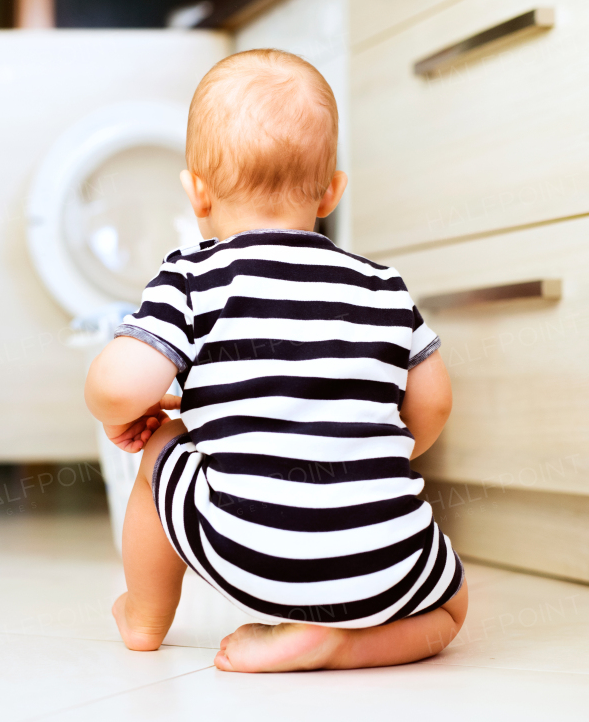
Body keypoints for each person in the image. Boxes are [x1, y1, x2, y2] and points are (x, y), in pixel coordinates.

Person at [84, 49, 466, 673]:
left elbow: (120, 386)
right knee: (451, 610)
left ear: (195, 193)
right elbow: (434, 402)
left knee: (164, 449)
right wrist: (371, 455)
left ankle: (144, 614)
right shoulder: (380, 285)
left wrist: (123, 414)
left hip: (247, 553)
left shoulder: (192, 276)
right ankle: (348, 645)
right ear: (332, 190)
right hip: (383, 560)